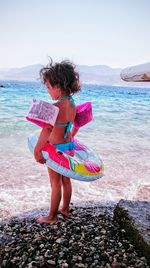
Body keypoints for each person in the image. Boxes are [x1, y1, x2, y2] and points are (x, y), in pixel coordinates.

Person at [34, 59, 81, 224]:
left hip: (56, 150)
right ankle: (65, 209)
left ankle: (52, 216)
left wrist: (37, 150)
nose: (47, 91)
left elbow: (46, 130)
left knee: (55, 183)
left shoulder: (55, 107)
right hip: (69, 147)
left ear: (58, 87)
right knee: (66, 180)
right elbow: (72, 126)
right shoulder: (73, 105)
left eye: (48, 87)